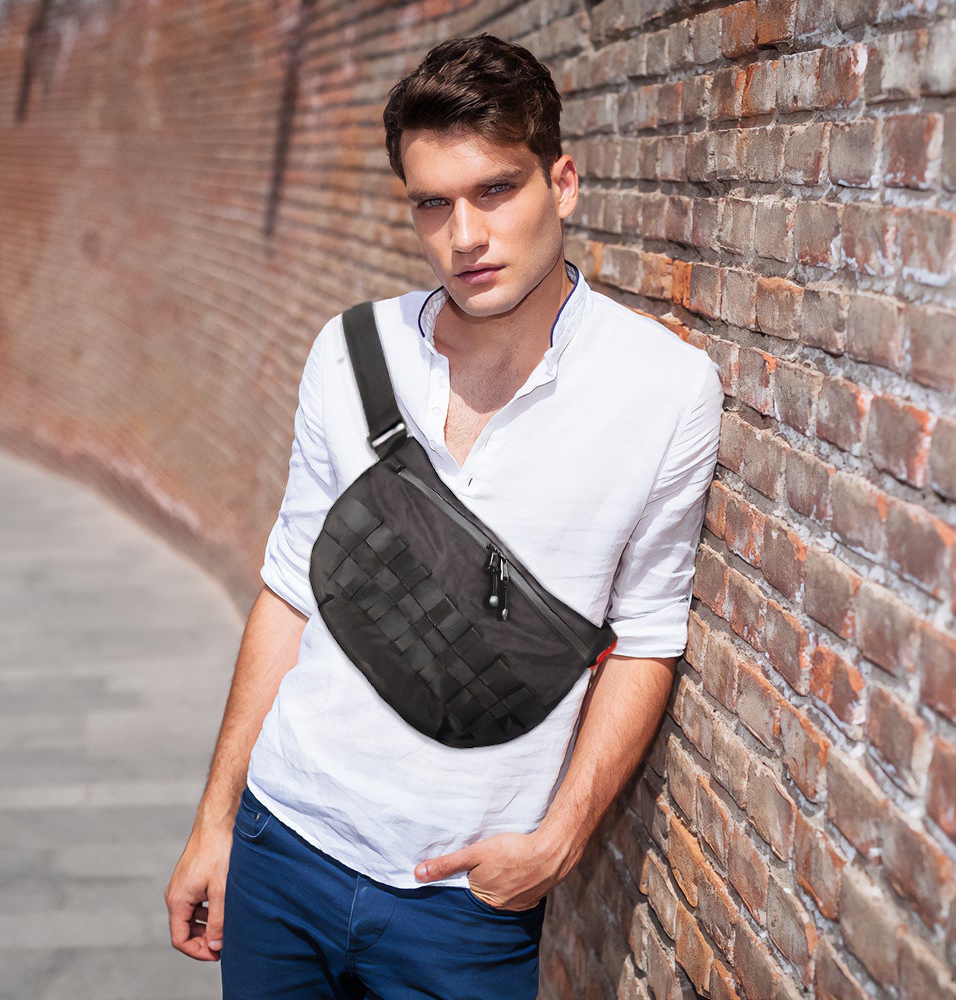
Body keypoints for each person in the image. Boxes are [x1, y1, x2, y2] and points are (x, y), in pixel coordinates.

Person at [164, 33, 723, 999]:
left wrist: (559, 840)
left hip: (463, 906)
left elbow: (646, 635)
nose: (464, 235)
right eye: (433, 203)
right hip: (282, 842)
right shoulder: (353, 350)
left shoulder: (663, 389)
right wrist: (216, 822)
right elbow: (290, 588)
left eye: (495, 190)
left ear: (562, 184)